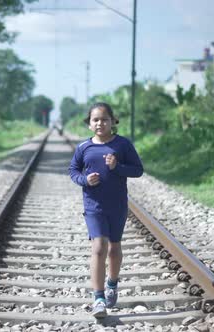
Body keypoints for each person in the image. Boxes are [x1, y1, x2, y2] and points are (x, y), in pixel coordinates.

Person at [68, 102, 144, 318]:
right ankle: (99, 298)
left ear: (113, 121)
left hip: (117, 205)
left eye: (104, 119)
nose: (100, 123)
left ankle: (112, 283)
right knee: (99, 247)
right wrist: (84, 180)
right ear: (89, 124)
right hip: (93, 205)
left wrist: (117, 167)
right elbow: (73, 170)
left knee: (114, 248)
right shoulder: (84, 147)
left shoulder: (122, 145)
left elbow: (138, 170)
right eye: (95, 120)